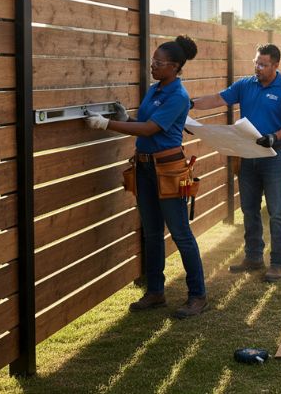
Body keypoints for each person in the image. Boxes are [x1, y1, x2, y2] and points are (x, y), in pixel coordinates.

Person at [85, 35, 208, 318]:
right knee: (151, 233)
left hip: (168, 171)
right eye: (152, 61)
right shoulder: (155, 90)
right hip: (144, 169)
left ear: (175, 67)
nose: (152, 66)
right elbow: (142, 123)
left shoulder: (178, 96)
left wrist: (107, 124)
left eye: (158, 62)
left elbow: (151, 129)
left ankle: (198, 295)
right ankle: (155, 292)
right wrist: (125, 118)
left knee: (181, 234)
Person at [192, 43, 281, 282]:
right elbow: (218, 98)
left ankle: (278, 263)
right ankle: (253, 257)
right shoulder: (245, 84)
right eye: (256, 62)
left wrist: (275, 136)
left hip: (274, 156)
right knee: (249, 209)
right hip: (247, 155)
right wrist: (190, 104)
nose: (258, 68)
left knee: (277, 211)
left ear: (276, 65)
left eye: (263, 64)